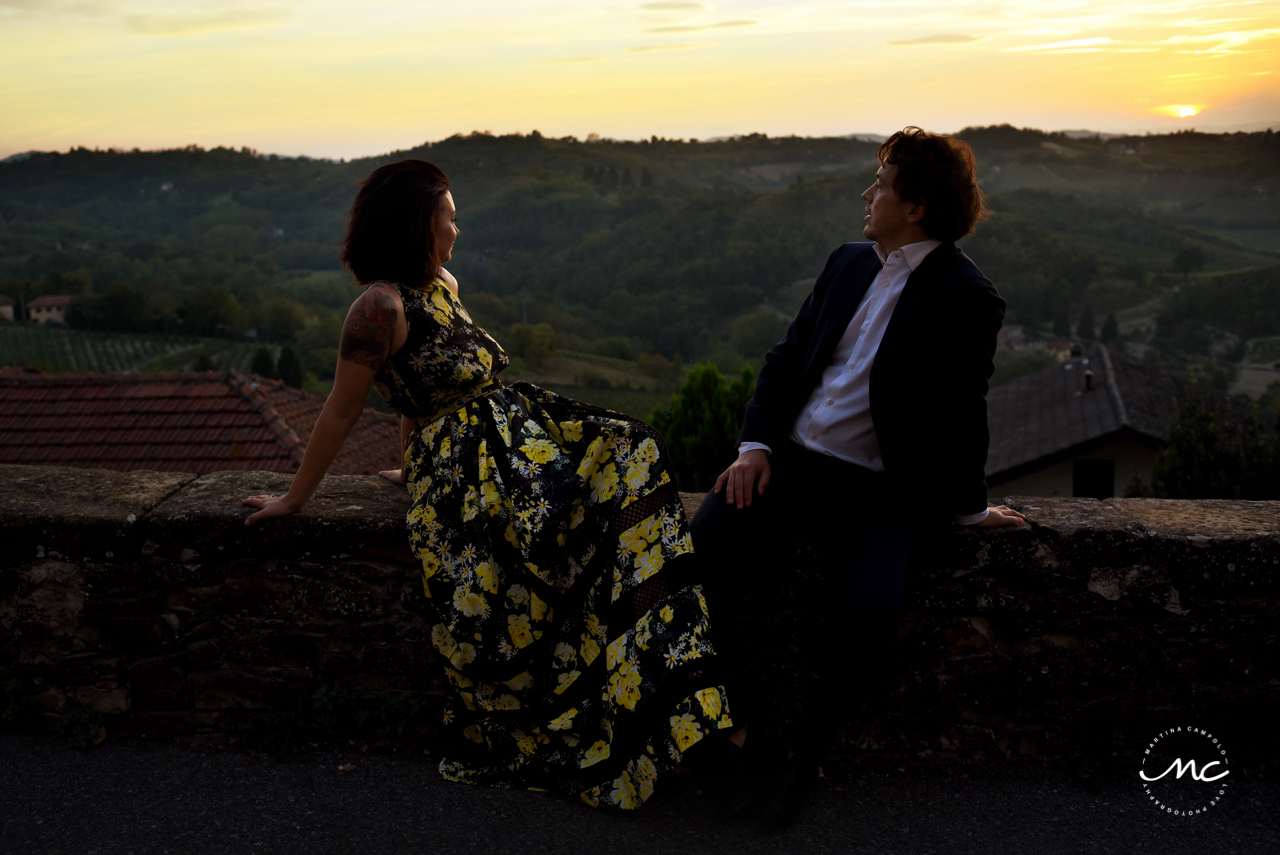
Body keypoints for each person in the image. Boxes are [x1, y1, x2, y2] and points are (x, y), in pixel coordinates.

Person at [242, 160, 730, 809]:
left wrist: (408, 459)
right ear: (418, 225)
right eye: (447, 216)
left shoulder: (441, 282)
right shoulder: (376, 308)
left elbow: (415, 394)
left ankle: (677, 703)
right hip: (471, 471)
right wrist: (297, 497)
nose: (457, 227)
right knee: (577, 538)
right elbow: (343, 408)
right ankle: (649, 722)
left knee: (632, 451)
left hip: (513, 435)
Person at [690, 127, 1026, 826]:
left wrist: (970, 512)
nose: (866, 194)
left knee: (871, 609)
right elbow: (786, 359)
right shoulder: (846, 262)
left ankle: (804, 757)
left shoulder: (967, 296)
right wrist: (754, 446)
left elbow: (964, 415)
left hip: (878, 489)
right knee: (699, 552)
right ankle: (740, 728)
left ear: (918, 207)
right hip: (789, 464)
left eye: (881, 184)